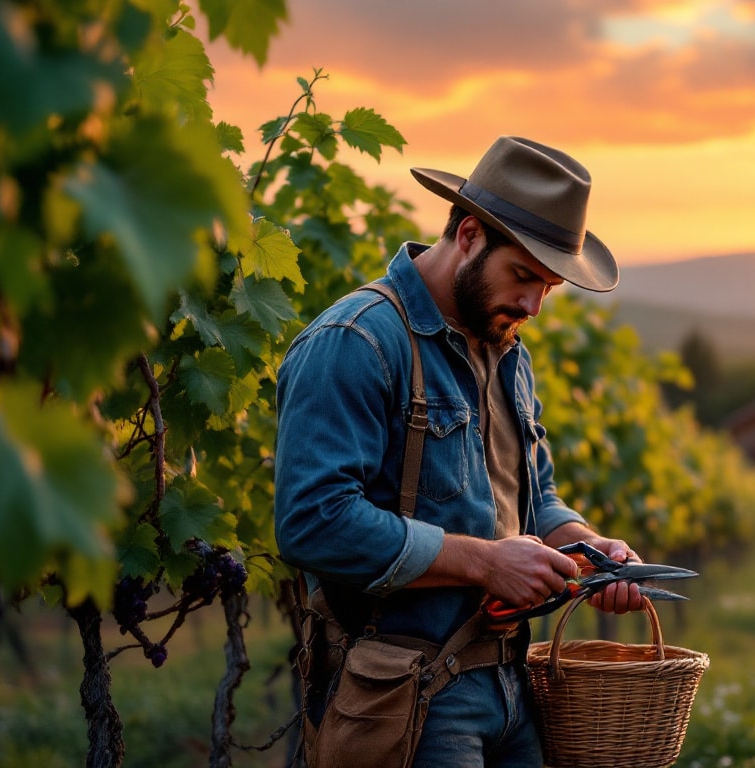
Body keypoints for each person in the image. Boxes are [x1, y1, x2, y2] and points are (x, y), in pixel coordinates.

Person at [274, 136, 646, 767]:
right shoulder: (358, 341)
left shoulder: (506, 353)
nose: (532, 306)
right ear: (469, 235)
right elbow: (313, 522)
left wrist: (591, 548)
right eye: (523, 276)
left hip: (511, 686)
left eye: (549, 288)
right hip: (405, 692)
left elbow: (534, 498)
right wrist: (483, 564)